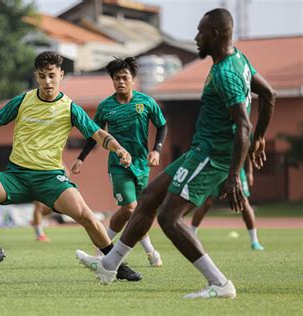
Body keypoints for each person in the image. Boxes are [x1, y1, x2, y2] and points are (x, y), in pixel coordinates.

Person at [76, 8, 276, 299]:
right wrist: (261, 137)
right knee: (149, 198)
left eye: (200, 32)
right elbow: (269, 94)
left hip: (211, 155)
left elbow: (243, 125)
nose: (196, 38)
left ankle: (220, 284)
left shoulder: (225, 73)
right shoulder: (239, 59)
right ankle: (109, 264)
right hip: (199, 150)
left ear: (215, 34)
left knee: (170, 218)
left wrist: (235, 175)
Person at [0, 51, 141, 281]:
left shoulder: (69, 108)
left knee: (87, 216)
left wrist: (118, 148)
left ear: (61, 75)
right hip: (16, 177)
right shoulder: (23, 100)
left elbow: (97, 133)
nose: (47, 81)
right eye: (42, 76)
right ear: (36, 76)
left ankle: (115, 264)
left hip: (50, 179)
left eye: (51, 75)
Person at [70, 57, 167, 267]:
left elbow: (162, 126)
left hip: (142, 165)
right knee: (131, 208)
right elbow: (94, 134)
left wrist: (156, 150)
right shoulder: (106, 106)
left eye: (124, 77)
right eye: (116, 78)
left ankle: (101, 247)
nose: (120, 81)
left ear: (133, 80)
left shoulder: (146, 102)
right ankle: (139, 253)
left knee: (137, 211)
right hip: (118, 166)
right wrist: (81, 158)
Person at [190, 158, 264, 251]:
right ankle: (191, 234)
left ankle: (254, 241)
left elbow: (246, 148)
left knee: (244, 202)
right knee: (207, 202)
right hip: (216, 168)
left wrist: (249, 171)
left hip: (237, 170)